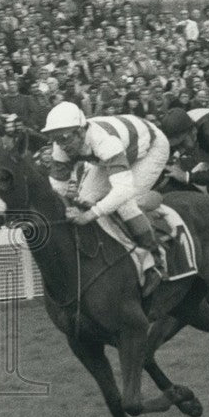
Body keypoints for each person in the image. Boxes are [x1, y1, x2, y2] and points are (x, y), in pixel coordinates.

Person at [41, 101, 169, 295]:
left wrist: (90, 215)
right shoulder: (62, 146)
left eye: (65, 139)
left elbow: (122, 190)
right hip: (113, 153)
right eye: (55, 139)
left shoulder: (104, 141)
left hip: (150, 148)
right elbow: (57, 188)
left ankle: (155, 261)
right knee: (85, 198)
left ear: (81, 132)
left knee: (125, 203)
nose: (61, 145)